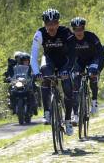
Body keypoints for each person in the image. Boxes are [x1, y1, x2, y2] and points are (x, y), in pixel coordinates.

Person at [30, 8, 75, 136]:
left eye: (54, 23)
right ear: (44, 24)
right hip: (49, 60)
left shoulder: (65, 32)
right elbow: (33, 55)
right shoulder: (39, 34)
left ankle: (67, 120)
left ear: (58, 23)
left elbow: (73, 53)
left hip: (64, 62)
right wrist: (36, 71)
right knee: (44, 75)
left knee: (67, 86)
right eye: (48, 23)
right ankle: (47, 112)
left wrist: (68, 69)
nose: (52, 26)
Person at [70, 17, 104, 125]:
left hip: (92, 59)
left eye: (81, 29)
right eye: (76, 29)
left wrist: (98, 69)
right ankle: (75, 114)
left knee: (93, 74)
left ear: (84, 28)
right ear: (73, 30)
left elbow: (101, 54)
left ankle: (94, 102)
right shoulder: (70, 39)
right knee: (75, 83)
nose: (79, 32)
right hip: (79, 62)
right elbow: (65, 56)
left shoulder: (91, 36)